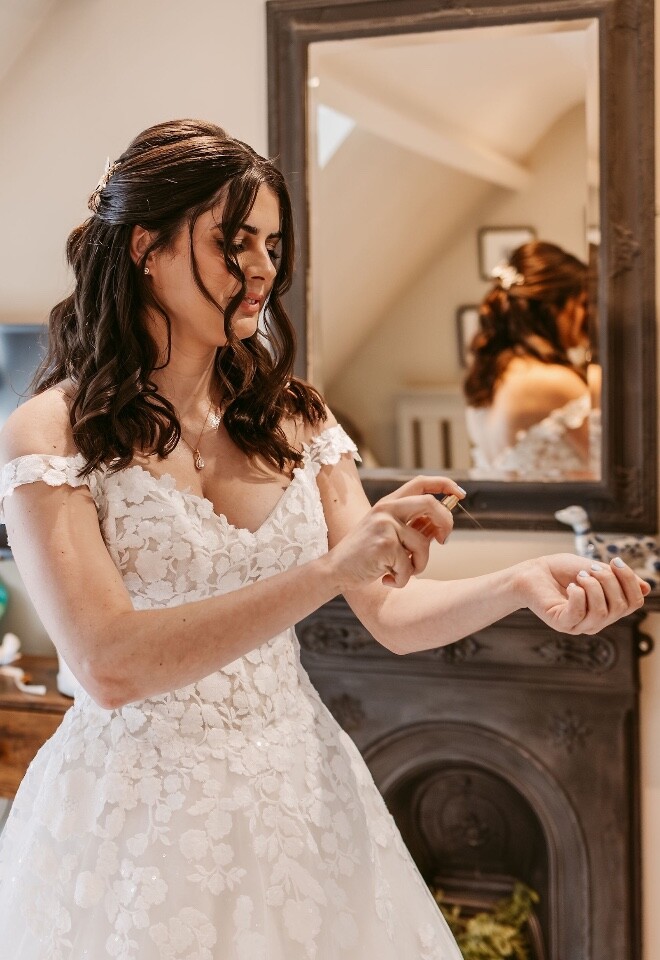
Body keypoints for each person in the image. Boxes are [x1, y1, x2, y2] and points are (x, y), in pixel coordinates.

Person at [0, 121, 646, 960]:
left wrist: (520, 585)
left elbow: (390, 611)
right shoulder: (51, 434)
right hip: (131, 820)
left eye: (272, 242)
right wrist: (331, 567)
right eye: (235, 242)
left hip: (298, 798)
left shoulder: (296, 416)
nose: (265, 267)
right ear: (145, 247)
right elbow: (107, 665)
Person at [463, 241, 600, 480]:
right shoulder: (554, 382)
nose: (585, 315)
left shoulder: (489, 374)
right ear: (554, 308)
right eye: (581, 304)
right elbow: (607, 470)